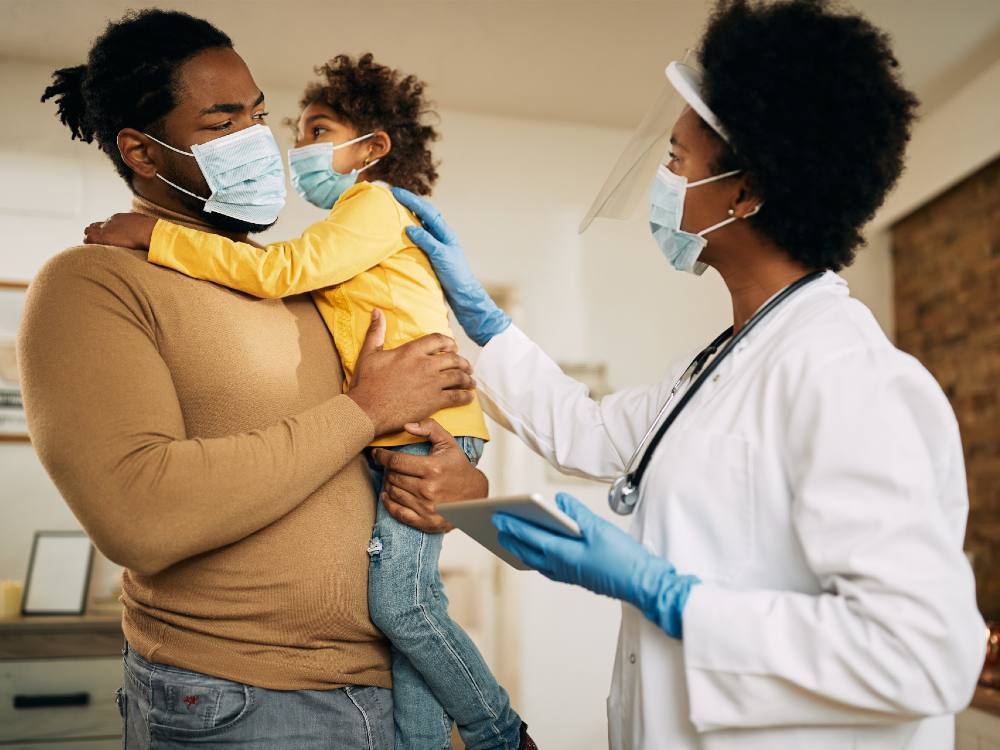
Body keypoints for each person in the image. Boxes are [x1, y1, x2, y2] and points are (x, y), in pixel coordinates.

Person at [378, 1, 987, 748]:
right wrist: (485, 326)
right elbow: (589, 433)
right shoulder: (724, 362)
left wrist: (670, 597)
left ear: (745, 191)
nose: (663, 185)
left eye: (676, 162)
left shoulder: (846, 375)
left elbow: (924, 655)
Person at [22, 10, 487, 749]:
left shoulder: (302, 280)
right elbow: (138, 514)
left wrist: (463, 490)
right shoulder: (95, 282)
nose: (259, 140)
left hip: (395, 686)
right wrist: (363, 411)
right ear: (143, 151)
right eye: (222, 121)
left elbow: (386, 447)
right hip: (241, 703)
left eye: (260, 115)